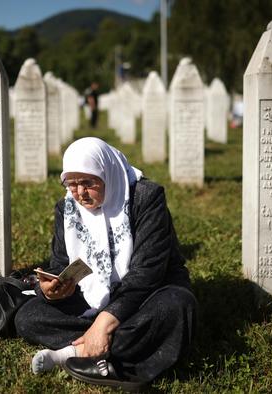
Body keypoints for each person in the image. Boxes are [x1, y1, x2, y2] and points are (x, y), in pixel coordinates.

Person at [15, 137, 196, 390]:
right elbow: (59, 263)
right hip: (91, 297)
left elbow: (148, 272)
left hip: (147, 295)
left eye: (88, 182)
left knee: (177, 306)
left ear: (107, 173)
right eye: (72, 184)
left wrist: (105, 321)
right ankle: (111, 344)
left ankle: (73, 352)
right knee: (28, 317)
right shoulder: (67, 207)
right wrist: (50, 290)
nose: (79, 193)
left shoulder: (145, 198)